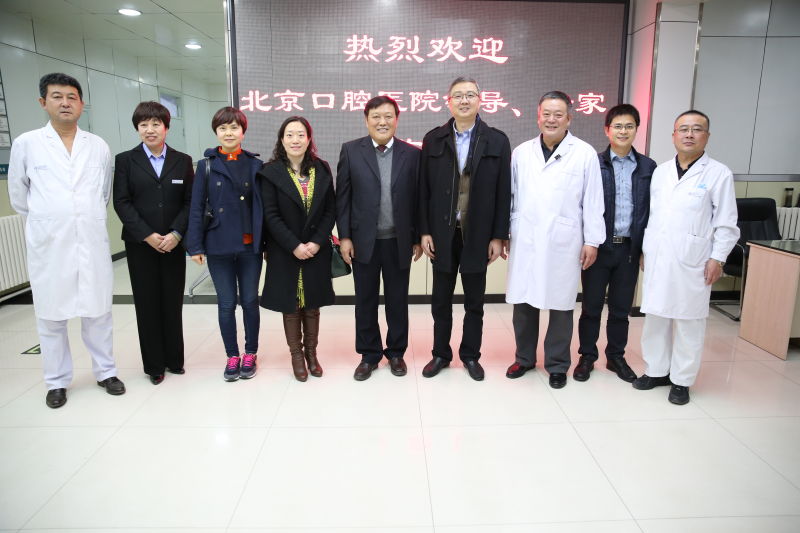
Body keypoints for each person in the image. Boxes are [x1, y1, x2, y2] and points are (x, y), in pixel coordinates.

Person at [8, 72, 126, 408]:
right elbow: (19, 197)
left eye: (71, 97)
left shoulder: (98, 146)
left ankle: (106, 372)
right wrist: (52, 218)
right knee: (51, 316)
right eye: (57, 96)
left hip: (90, 239)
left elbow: (102, 194)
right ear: (43, 102)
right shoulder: (27, 144)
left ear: (81, 104)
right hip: (49, 243)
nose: (65, 103)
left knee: (98, 312)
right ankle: (57, 381)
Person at [636, 110, 738, 405]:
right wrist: (645, 249)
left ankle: (681, 380)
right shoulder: (660, 171)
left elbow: (727, 222)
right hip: (658, 255)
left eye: (696, 129)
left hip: (695, 259)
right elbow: (652, 215)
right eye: (683, 129)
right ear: (674, 135)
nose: (689, 134)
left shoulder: (718, 173)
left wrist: (718, 258)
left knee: (689, 321)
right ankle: (656, 371)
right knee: (656, 317)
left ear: (707, 136)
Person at [505, 90, 605, 389]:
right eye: (546, 114)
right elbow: (510, 196)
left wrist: (592, 240)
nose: (551, 119)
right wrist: (506, 232)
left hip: (565, 239)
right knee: (524, 302)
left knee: (561, 305)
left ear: (568, 119)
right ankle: (524, 358)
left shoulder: (584, 153)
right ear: (538, 118)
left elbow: (593, 201)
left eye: (558, 115)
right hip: (526, 236)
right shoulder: (522, 152)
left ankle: (558, 364)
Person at [419, 76, 511, 381]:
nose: (464, 100)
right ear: (448, 102)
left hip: (478, 235)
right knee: (440, 302)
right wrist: (424, 231)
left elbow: (503, 192)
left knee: (475, 302)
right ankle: (440, 354)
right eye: (458, 95)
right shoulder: (434, 139)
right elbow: (423, 190)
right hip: (442, 234)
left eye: (470, 95)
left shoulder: (497, 141)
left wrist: (498, 236)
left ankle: (471, 356)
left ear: (480, 100)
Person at [335, 96, 422, 381]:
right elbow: (343, 199)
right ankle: (369, 355)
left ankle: (396, 352)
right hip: (363, 241)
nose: (382, 122)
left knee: (397, 300)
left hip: (399, 240)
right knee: (365, 300)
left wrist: (417, 237)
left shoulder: (412, 154)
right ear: (366, 120)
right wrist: (345, 237)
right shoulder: (351, 150)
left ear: (397, 119)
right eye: (376, 116)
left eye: (388, 116)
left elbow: (419, 200)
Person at [113, 101, 194, 385]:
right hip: (140, 245)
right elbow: (121, 202)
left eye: (156, 124)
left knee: (172, 302)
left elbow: (190, 202)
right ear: (137, 129)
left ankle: (174, 360)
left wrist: (176, 234)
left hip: (173, 243)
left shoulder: (183, 160)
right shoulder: (125, 160)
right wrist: (147, 235)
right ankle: (154, 365)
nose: (150, 129)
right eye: (143, 124)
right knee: (147, 304)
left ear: (166, 127)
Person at [574, 104, 656, 383]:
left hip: (629, 249)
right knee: (591, 307)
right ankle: (587, 356)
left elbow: (652, 210)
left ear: (636, 130)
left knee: (621, 309)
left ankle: (616, 357)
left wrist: (645, 248)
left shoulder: (648, 167)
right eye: (618, 126)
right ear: (607, 130)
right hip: (599, 247)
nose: (623, 131)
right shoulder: (594, 163)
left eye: (629, 126)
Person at [185, 106, 264, 382]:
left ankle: (251, 352)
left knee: (250, 301)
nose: (228, 133)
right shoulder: (206, 165)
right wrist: (195, 246)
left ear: (243, 131)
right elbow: (196, 208)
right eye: (223, 128)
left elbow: (262, 209)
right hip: (218, 244)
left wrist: (267, 244)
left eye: (234, 127)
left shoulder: (255, 164)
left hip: (249, 246)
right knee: (227, 303)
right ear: (216, 132)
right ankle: (232, 355)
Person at [259, 116, 336, 381]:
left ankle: (312, 354)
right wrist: (294, 245)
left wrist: (316, 241)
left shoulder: (322, 168)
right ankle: (296, 355)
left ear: (309, 138)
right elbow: (270, 215)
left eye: (301, 134)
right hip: (284, 250)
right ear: (282, 140)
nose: (295, 140)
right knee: (290, 304)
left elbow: (330, 210)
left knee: (312, 304)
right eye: (290, 135)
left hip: (316, 248)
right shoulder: (270, 172)